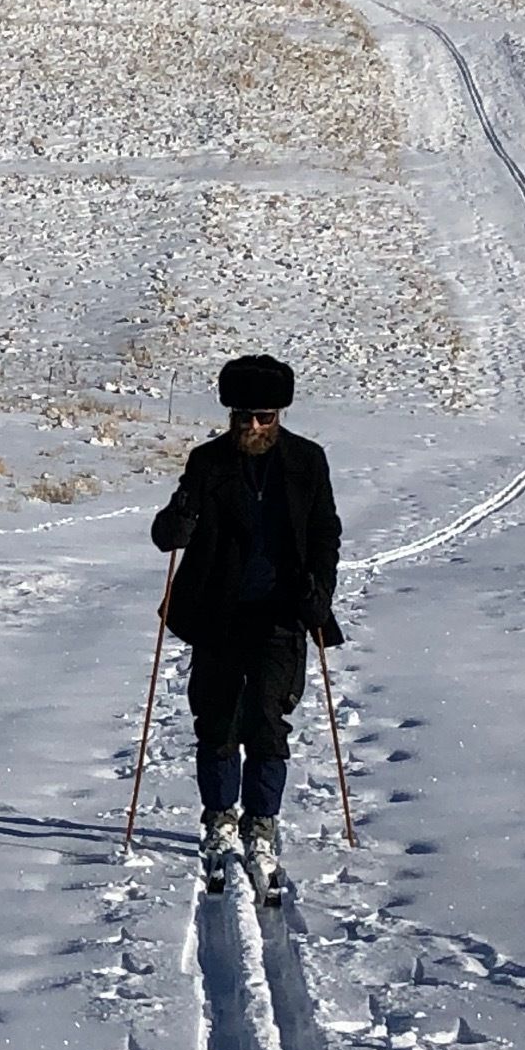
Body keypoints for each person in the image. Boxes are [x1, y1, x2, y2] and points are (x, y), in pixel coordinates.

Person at [150, 355, 343, 880]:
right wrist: (180, 521)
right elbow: (167, 534)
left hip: (282, 613)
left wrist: (320, 590)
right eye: (243, 416)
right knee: (215, 721)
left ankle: (262, 823)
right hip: (217, 611)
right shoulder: (207, 461)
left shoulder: (308, 461)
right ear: (230, 414)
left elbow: (326, 532)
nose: (253, 426)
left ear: (279, 413)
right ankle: (218, 818)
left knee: (265, 720)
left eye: (264, 417)